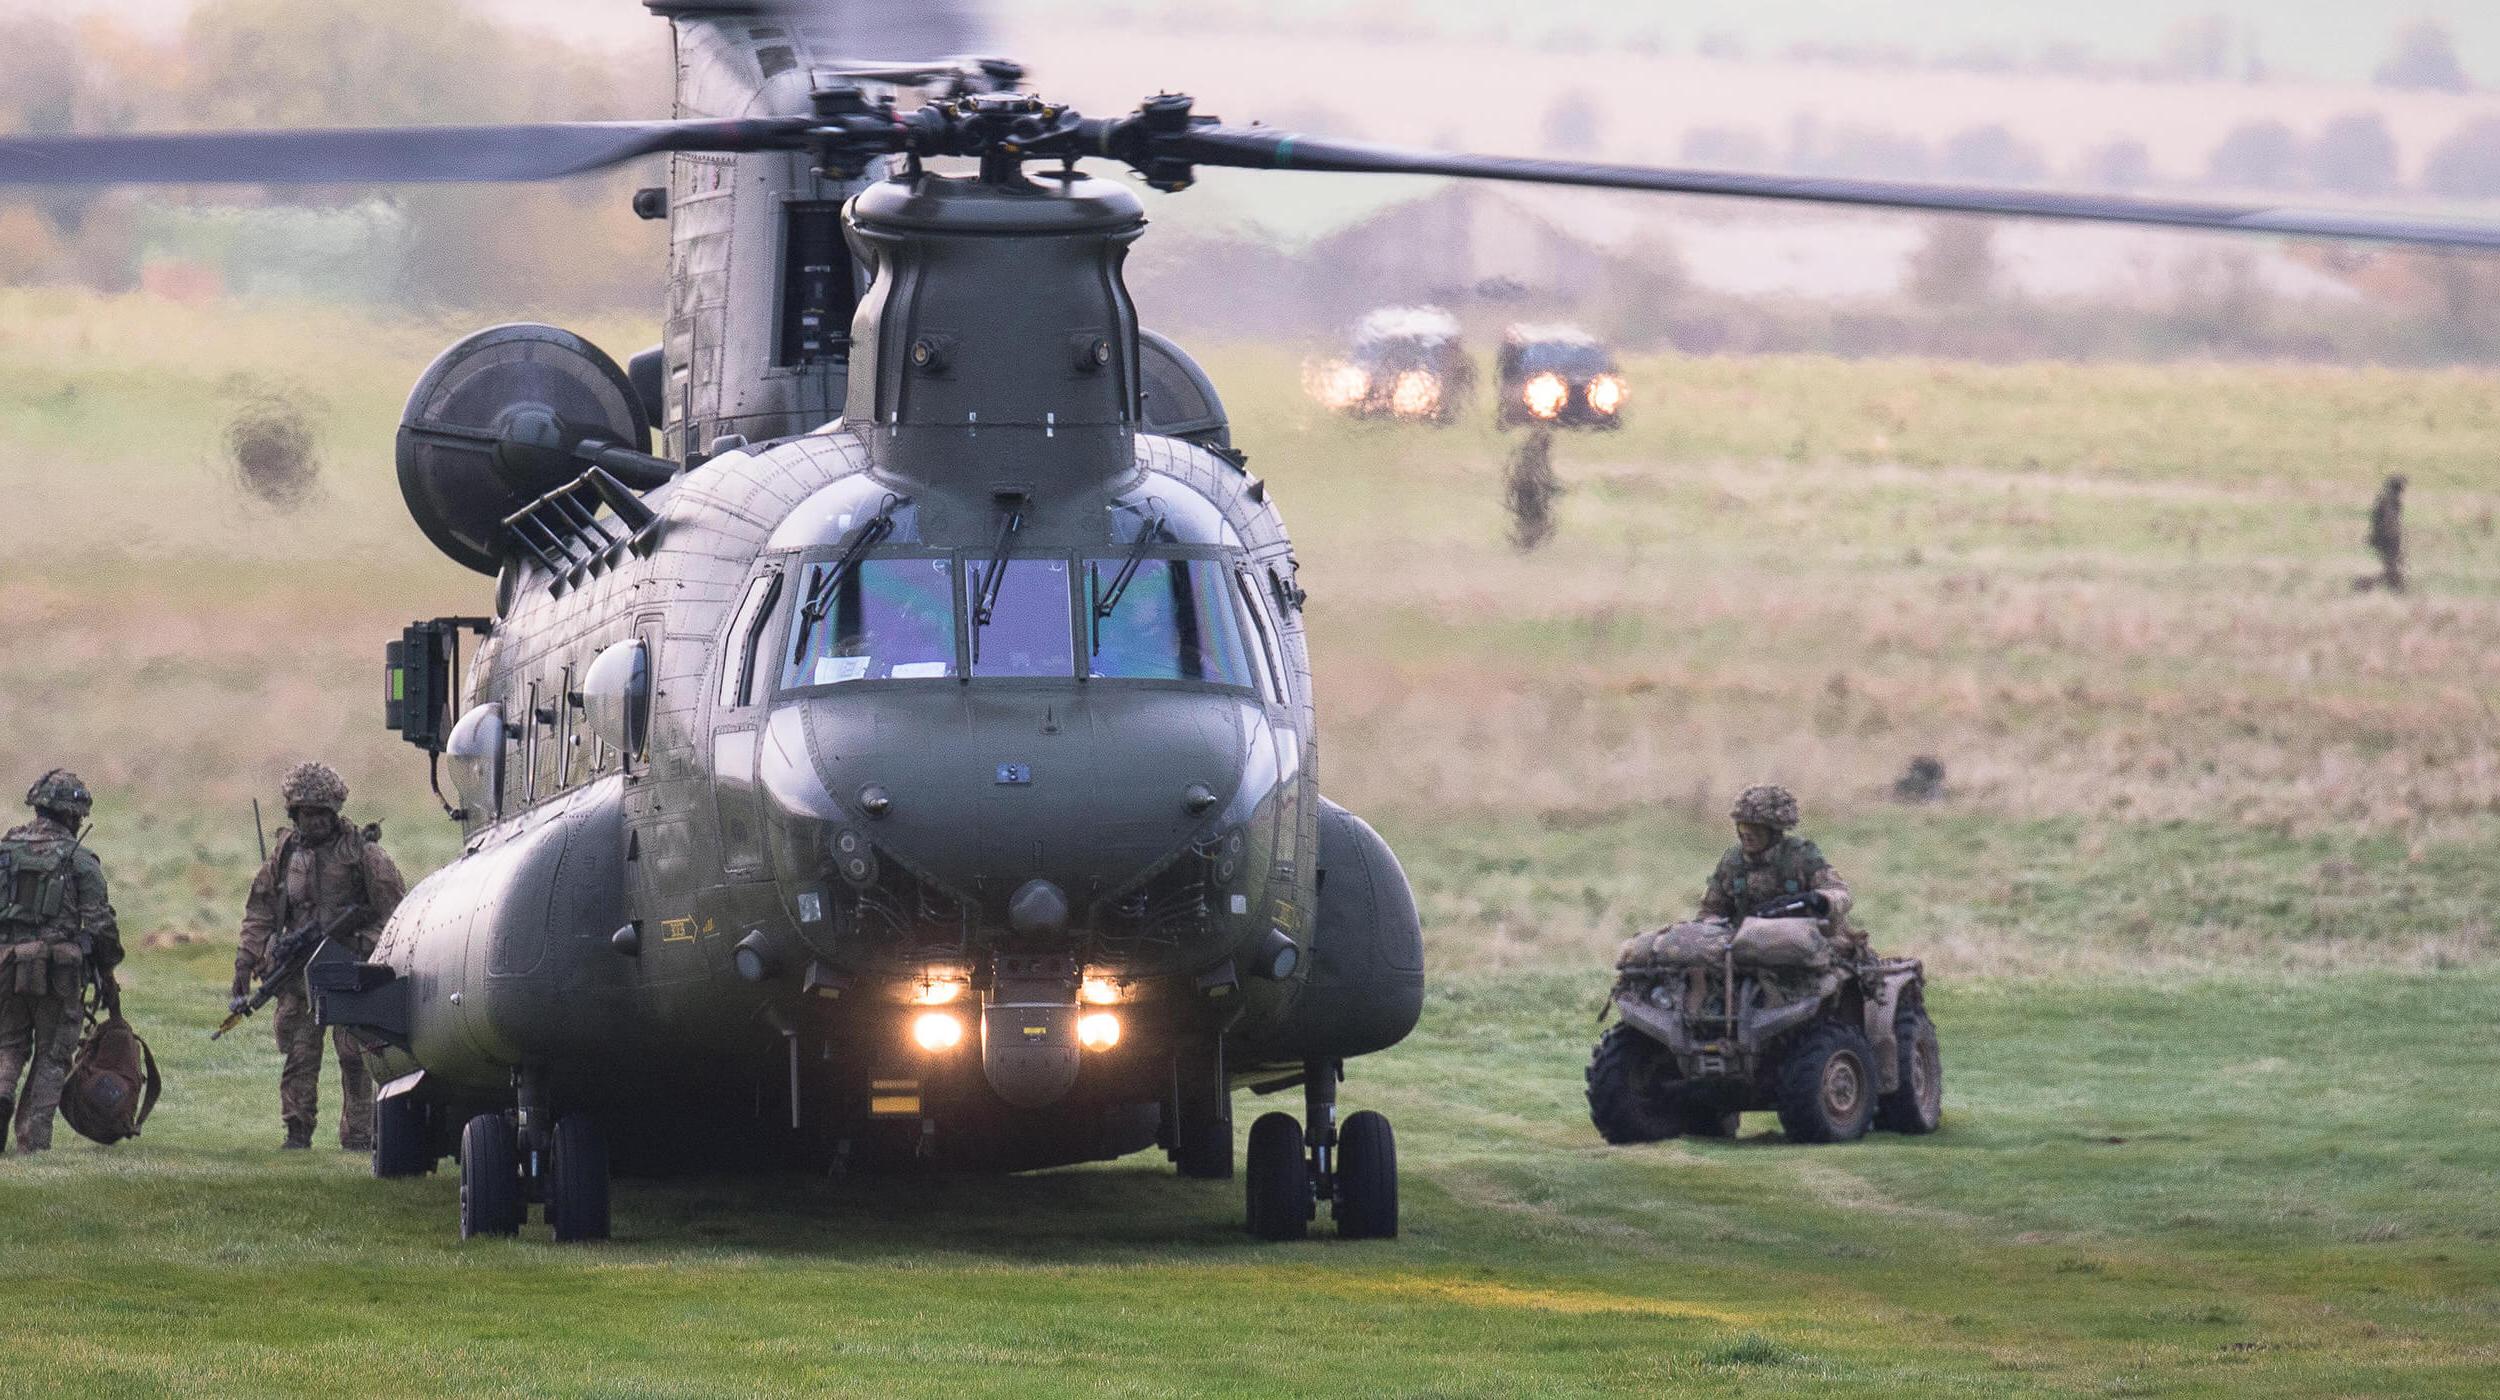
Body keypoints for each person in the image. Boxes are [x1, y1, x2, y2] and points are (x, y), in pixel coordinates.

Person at [230, 762, 405, 1151]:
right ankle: (297, 1132)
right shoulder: (286, 853)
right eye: (307, 814)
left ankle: (360, 1135)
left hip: (349, 968)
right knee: (299, 1052)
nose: (315, 823)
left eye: (322, 814)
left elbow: (395, 914)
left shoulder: (364, 854)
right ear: (294, 814)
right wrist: (246, 961)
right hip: (297, 972)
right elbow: (259, 909)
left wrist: (361, 945)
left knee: (355, 1056)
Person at [0, 770, 120, 1154]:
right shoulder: (79, 860)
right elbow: (101, 925)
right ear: (72, 815)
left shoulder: (5, 852)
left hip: (5, 966)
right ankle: (32, 1143)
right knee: (52, 1055)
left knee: (8, 1044)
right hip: (58, 975)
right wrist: (106, 969)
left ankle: (2, 1090)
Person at [1697, 784, 1860, 950]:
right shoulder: (1733, 862)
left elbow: (1841, 894)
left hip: (1801, 947)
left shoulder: (1800, 856)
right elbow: (1710, 910)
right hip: (1745, 949)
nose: (1747, 834)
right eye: (1742, 826)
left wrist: (1817, 900)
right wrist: (1717, 928)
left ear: (1774, 832)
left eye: (1756, 829)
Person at [2366, 474, 2406, 593]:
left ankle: (2394, 588)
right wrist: (2394, 541)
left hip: (2385, 539)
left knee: (2392, 566)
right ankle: (2394, 590)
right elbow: (2389, 523)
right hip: (2387, 539)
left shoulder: (2386, 499)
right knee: (2392, 567)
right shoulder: (2389, 501)